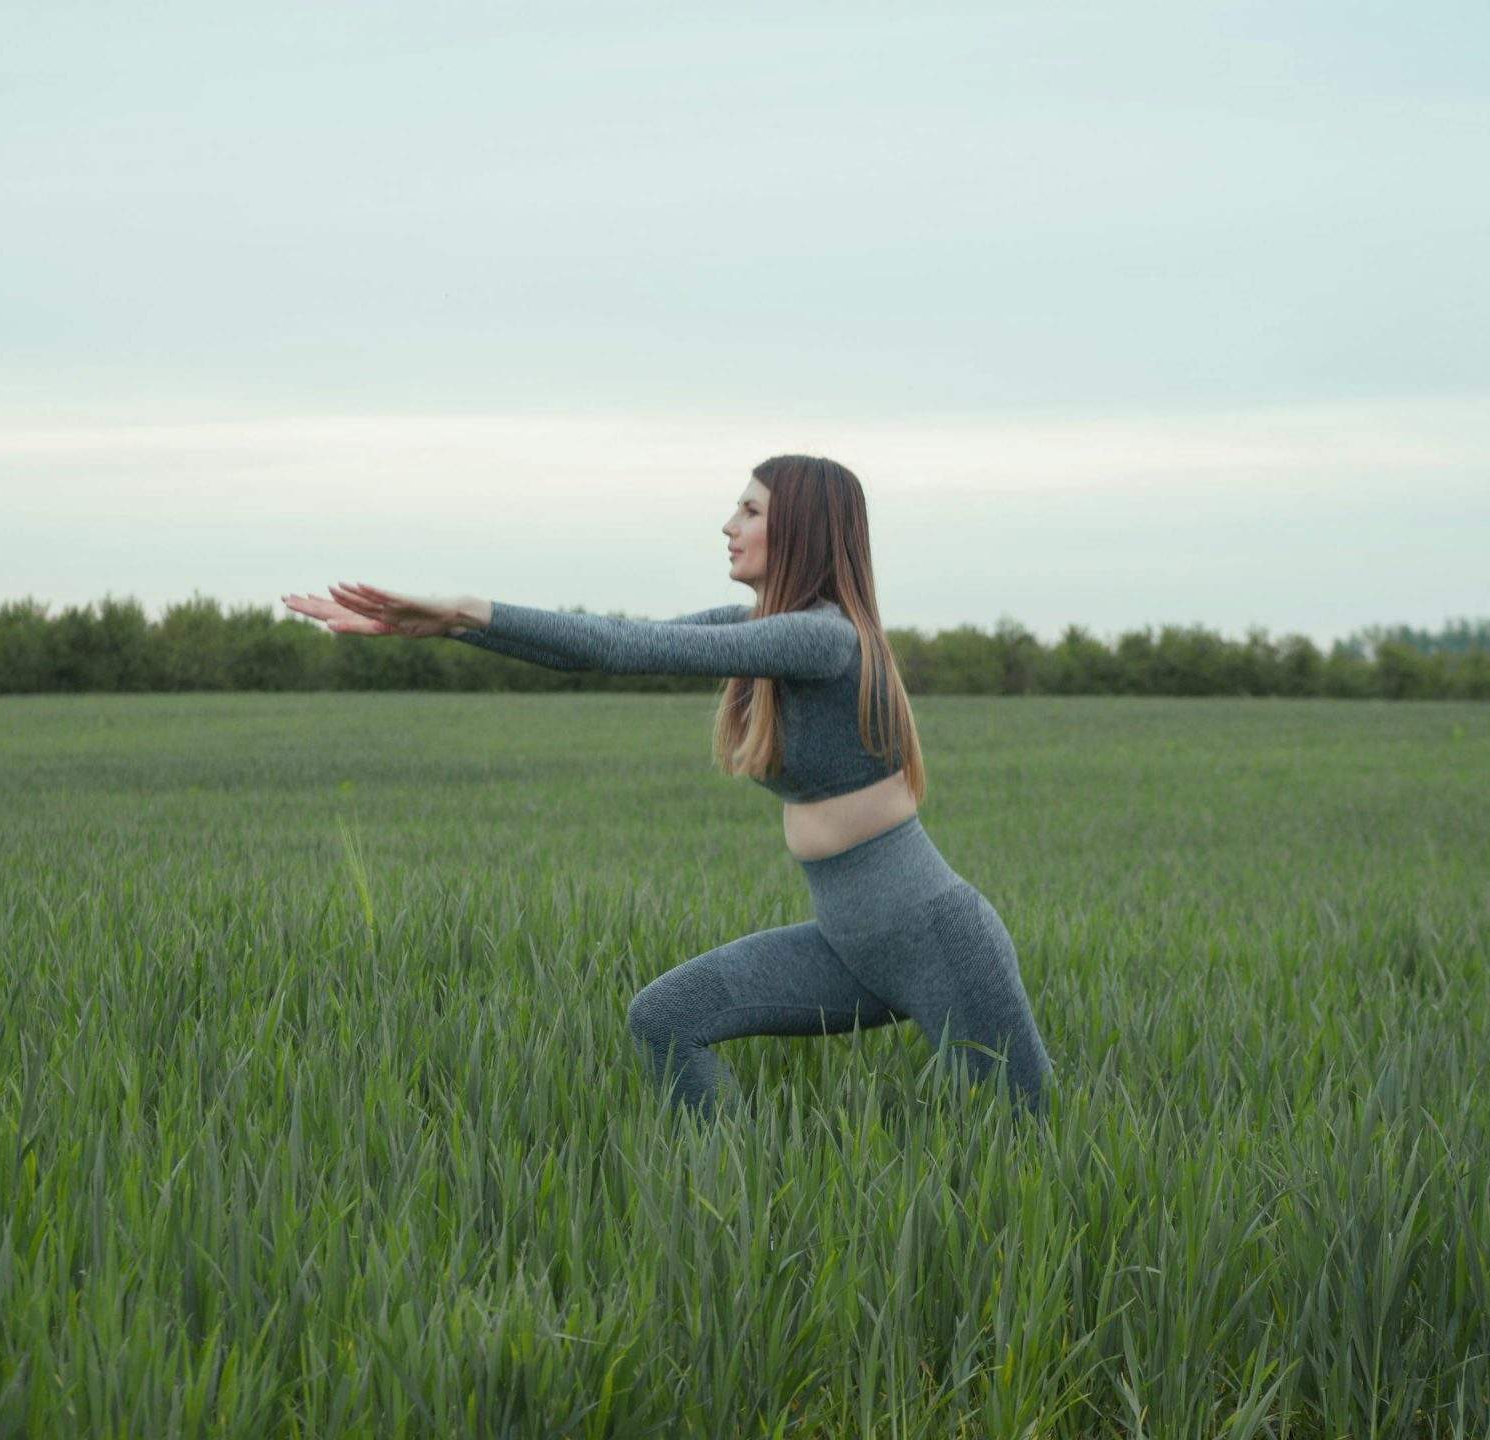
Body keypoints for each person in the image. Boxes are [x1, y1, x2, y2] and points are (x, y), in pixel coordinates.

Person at [281, 454, 1054, 1121]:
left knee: (1027, 1141)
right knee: (666, 1018)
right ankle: (734, 1196)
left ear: (804, 531)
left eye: (749, 510)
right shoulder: (762, 626)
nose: (728, 524)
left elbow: (625, 647)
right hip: (850, 943)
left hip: (937, 942)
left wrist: (465, 605)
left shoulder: (820, 637)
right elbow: (605, 645)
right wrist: (445, 628)